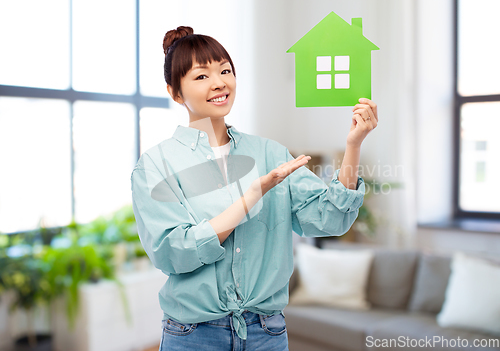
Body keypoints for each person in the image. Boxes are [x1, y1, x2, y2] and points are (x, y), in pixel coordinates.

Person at [130, 26, 378, 351]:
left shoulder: (270, 153)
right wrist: (249, 198)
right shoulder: (155, 165)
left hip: (266, 333)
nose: (219, 82)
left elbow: (331, 218)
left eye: (225, 70)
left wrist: (354, 145)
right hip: (194, 335)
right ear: (175, 92)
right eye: (201, 76)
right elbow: (172, 253)